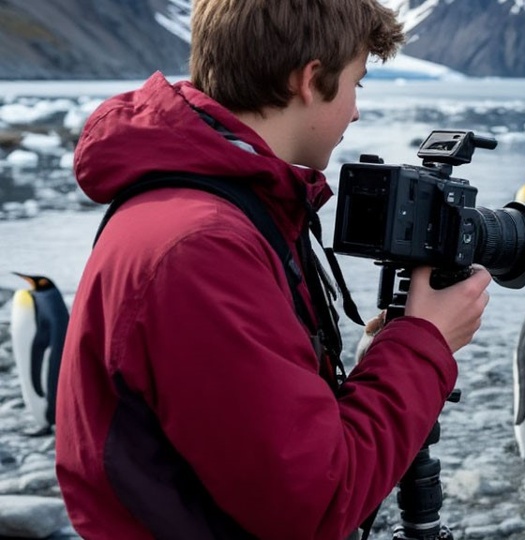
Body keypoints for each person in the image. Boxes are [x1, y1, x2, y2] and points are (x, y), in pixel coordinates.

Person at [54, 1, 492, 539]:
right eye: (357, 84)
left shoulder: (213, 204)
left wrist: (377, 364)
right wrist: (425, 343)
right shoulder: (202, 248)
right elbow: (315, 504)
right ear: (310, 79)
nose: (355, 111)